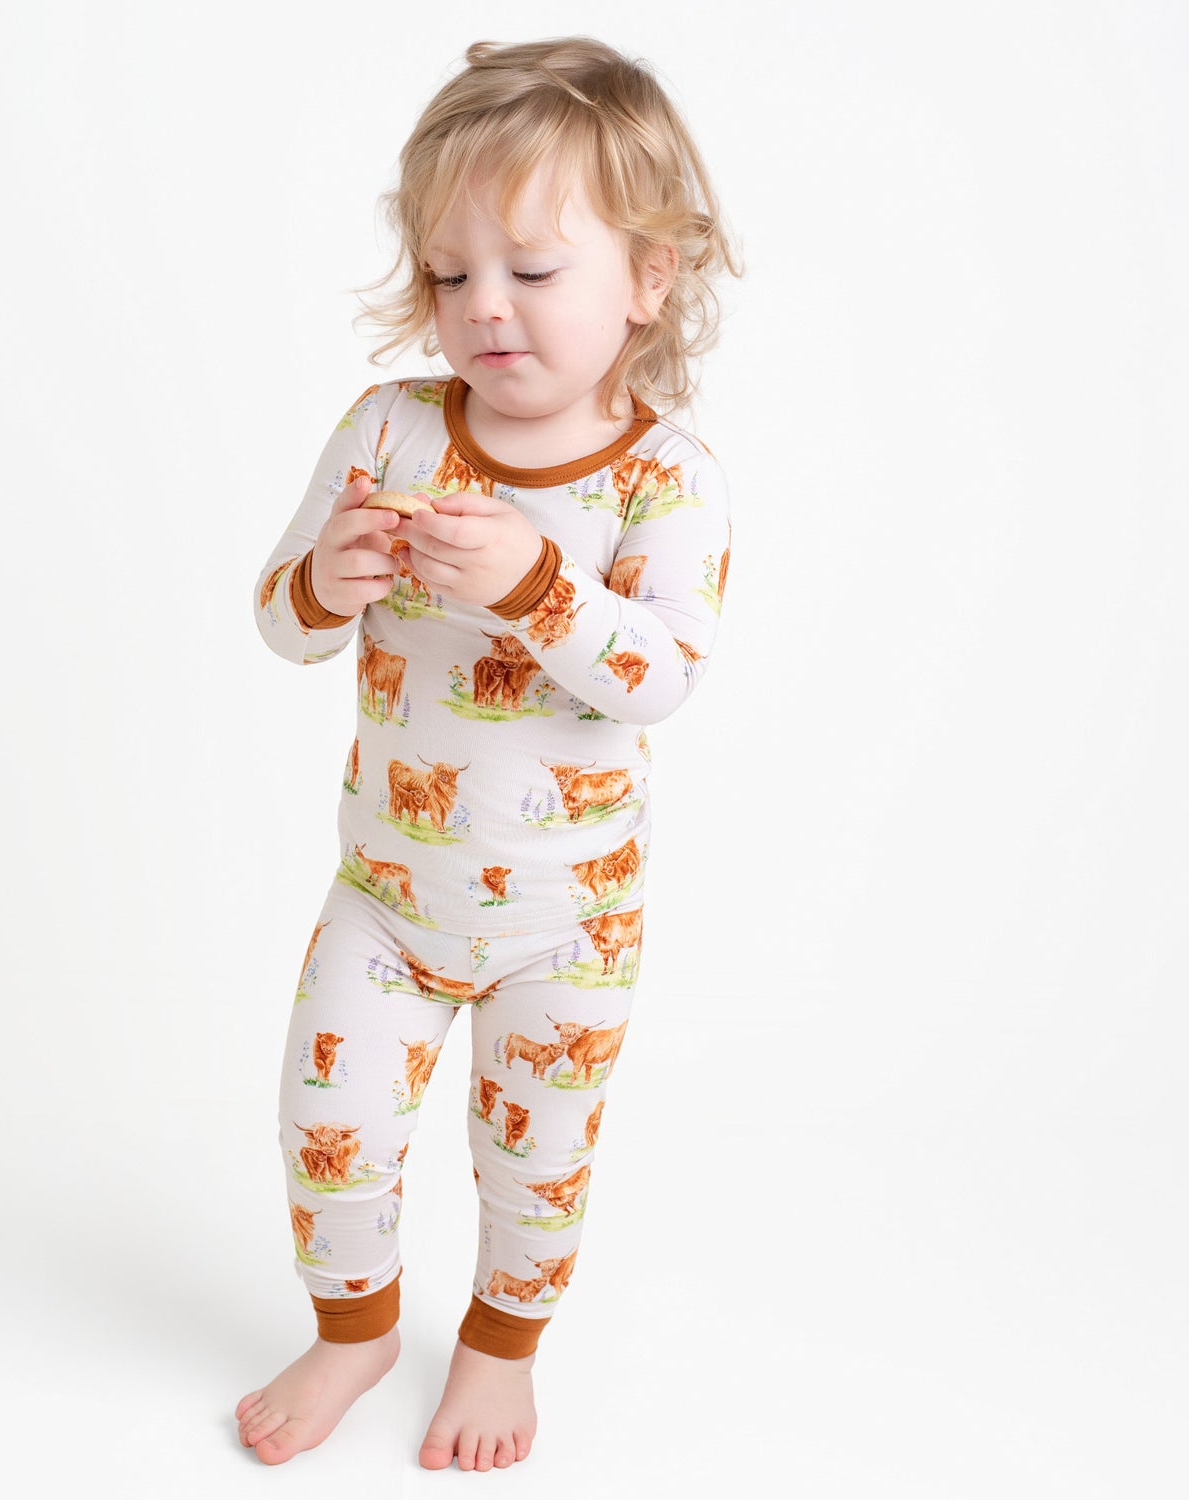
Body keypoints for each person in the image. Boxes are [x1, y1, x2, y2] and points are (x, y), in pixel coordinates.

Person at [237, 35, 740, 1472]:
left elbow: (662, 675)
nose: (484, 311)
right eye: (452, 276)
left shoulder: (666, 478)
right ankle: (354, 1333)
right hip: (386, 904)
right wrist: (329, 578)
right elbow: (279, 623)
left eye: (531, 271)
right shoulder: (389, 431)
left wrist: (535, 582)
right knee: (324, 1126)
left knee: (535, 1162)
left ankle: (500, 1350)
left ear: (650, 277)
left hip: (563, 927)